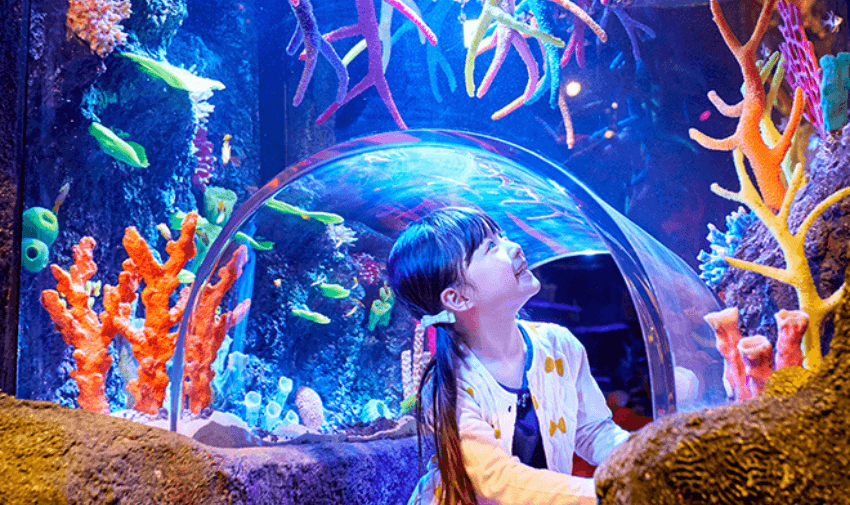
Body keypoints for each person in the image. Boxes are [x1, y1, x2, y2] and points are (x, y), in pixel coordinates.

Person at [387, 207, 630, 505]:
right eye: (491, 246)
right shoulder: (448, 387)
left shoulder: (559, 345)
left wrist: (646, 460)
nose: (514, 246)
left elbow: (592, 430)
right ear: (457, 297)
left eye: (501, 236)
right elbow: (498, 480)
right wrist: (605, 495)